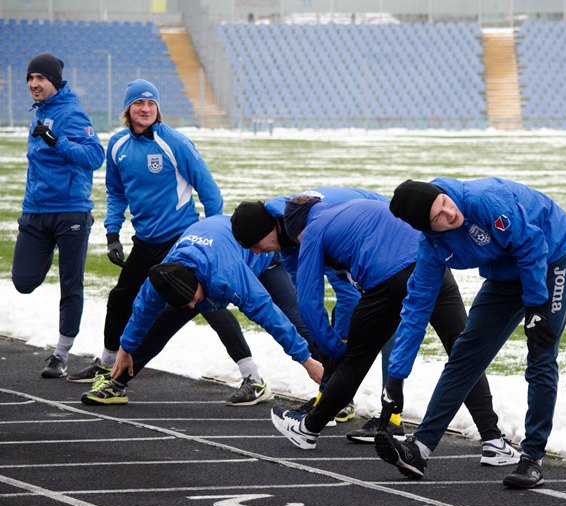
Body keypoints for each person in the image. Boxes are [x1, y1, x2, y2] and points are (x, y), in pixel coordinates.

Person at [269, 196, 520, 467]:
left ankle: (307, 429)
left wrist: (331, 347)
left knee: (354, 361)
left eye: (297, 239)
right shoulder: (354, 204)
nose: (298, 243)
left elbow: (308, 300)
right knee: (464, 352)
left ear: (298, 228)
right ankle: (493, 440)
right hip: (431, 262)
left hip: (386, 281)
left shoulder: (312, 230)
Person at [374, 177, 566, 488]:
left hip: (553, 254)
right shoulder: (432, 247)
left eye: (445, 203)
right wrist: (396, 378)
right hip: (507, 269)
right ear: (427, 229)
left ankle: (532, 459)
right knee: (465, 353)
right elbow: (417, 307)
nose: (450, 214)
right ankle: (419, 449)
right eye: (438, 218)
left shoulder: (484, 200)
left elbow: (531, 243)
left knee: (540, 352)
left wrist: (537, 308)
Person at [65, 79, 262, 406]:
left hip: (180, 240)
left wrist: (215, 235)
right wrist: (113, 233)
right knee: (121, 297)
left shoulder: (175, 143)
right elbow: (116, 193)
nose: (145, 109)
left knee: (205, 303)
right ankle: (107, 362)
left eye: (150, 104)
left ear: (157, 109)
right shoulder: (117, 145)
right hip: (145, 241)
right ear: (127, 109)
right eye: (138, 104)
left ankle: (251, 376)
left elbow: (209, 190)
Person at [80, 215, 323, 405]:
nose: (193, 307)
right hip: (212, 249)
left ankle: (333, 389)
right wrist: (125, 348)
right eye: (189, 303)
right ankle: (117, 382)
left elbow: (270, 317)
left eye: (193, 300)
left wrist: (305, 360)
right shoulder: (160, 279)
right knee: (160, 326)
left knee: (298, 321)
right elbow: (141, 315)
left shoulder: (227, 277)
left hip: (264, 260)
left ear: (200, 282)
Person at [232, 187, 397, 440]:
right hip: (364, 228)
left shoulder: (311, 230)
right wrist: (329, 347)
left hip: (384, 227)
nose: (255, 253)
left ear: (267, 231)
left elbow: (348, 295)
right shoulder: (287, 238)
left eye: (255, 245)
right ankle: (332, 399)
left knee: (385, 315)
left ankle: (390, 418)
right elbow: (306, 299)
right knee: (349, 325)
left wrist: (336, 349)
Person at [12, 53, 105, 378]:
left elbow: (95, 156)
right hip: (36, 212)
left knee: (71, 283)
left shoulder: (72, 113)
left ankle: (60, 355)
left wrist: (58, 141)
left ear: (54, 81)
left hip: (70, 212)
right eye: (30, 78)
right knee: (23, 281)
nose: (34, 84)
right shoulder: (38, 113)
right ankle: (45, 251)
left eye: (40, 78)